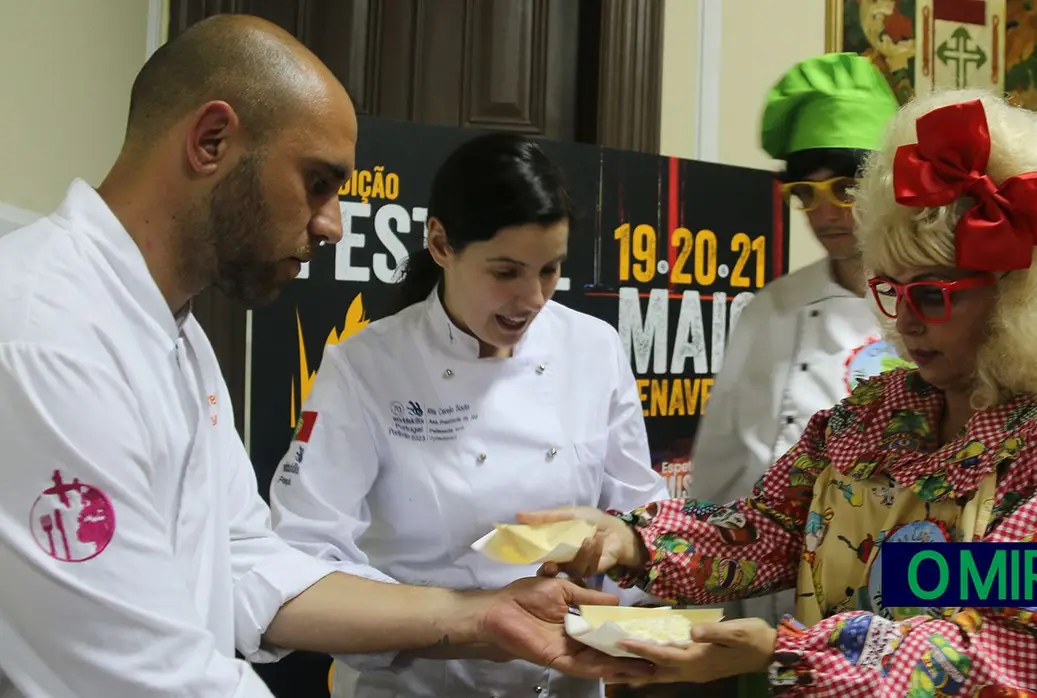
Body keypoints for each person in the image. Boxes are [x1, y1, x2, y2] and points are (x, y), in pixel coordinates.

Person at [0, 15, 651, 698]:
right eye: (318, 182)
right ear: (210, 141)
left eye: (548, 272)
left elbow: (248, 563)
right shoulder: (49, 340)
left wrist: (478, 616)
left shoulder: (177, 337)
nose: (332, 224)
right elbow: (138, 674)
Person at [523, 90, 1037, 697]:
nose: (904, 320)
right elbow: (765, 532)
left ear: (1017, 297)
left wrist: (790, 654)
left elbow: (1025, 655)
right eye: (891, 290)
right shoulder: (875, 416)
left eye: (932, 294)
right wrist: (629, 542)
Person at [267, 131, 670, 697]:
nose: (532, 298)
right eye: (505, 272)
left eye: (550, 270)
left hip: (564, 682)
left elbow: (643, 515)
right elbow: (302, 559)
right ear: (440, 244)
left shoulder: (594, 348)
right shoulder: (365, 367)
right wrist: (470, 619)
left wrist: (616, 560)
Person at [689, 53, 912, 631]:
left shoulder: (941, 305)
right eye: (804, 193)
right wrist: (693, 598)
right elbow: (724, 467)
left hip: (901, 616)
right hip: (771, 608)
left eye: (845, 187)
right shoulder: (774, 308)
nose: (824, 212)